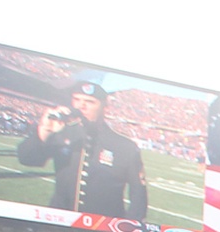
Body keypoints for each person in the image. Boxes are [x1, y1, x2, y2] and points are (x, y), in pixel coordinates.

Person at [15, 81, 147, 219]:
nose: (81, 106)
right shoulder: (62, 132)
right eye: (77, 100)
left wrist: (127, 230)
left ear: (104, 106)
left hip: (102, 228)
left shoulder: (125, 146)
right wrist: (44, 130)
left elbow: (138, 196)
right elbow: (27, 159)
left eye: (90, 102)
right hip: (60, 222)